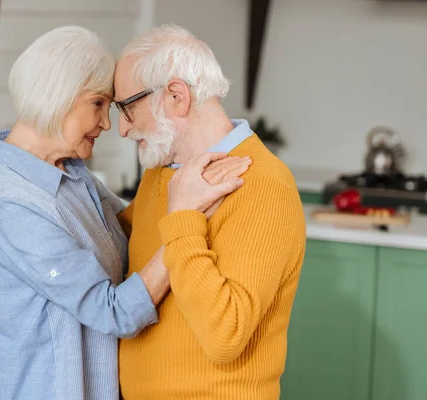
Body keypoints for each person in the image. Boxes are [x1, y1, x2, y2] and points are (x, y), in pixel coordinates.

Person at [0, 26, 250, 400]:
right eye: (98, 104)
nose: (106, 124)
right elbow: (114, 313)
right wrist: (187, 218)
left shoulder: (69, 173)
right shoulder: (10, 203)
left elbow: (135, 232)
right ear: (59, 96)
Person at [113, 24, 307, 400]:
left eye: (127, 107)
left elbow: (225, 335)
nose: (122, 127)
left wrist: (184, 216)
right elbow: (114, 244)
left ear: (176, 96)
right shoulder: (162, 171)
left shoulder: (264, 185)